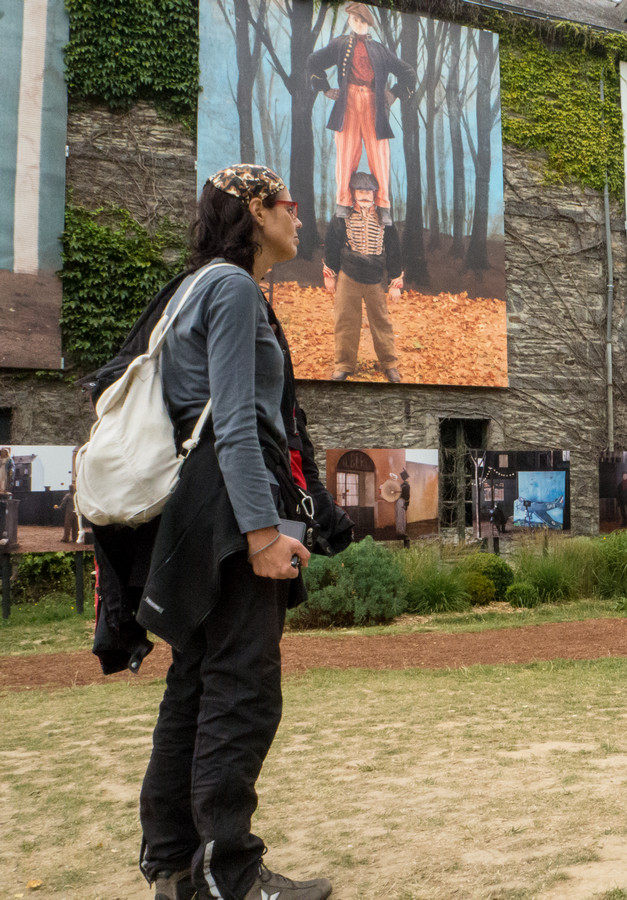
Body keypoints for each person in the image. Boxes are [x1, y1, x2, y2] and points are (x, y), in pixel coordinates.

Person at [120, 164, 334, 900]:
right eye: (288, 205)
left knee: (194, 684)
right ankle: (230, 874)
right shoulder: (235, 288)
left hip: (195, 512)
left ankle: (175, 866)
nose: (299, 218)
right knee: (243, 689)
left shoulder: (192, 287)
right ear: (256, 212)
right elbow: (237, 423)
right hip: (229, 512)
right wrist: (261, 534)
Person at [307, 2, 416, 223]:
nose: (358, 23)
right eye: (355, 19)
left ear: (368, 24)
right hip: (347, 104)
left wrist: (394, 93)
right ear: (349, 20)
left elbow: (408, 72)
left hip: (373, 105)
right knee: (345, 153)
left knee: (379, 155)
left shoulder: (380, 50)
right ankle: (343, 202)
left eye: (362, 20)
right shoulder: (340, 44)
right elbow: (314, 61)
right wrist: (325, 88)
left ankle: (383, 206)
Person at [323, 170, 404, 382]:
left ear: (375, 193)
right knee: (345, 320)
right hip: (348, 275)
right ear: (353, 192)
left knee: (381, 321)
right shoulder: (342, 217)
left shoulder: (385, 219)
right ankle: (344, 364)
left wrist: (395, 282)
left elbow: (394, 251)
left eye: (369, 191)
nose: (365, 195)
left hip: (374, 278)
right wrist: (330, 274)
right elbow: (331, 245)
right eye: (360, 190)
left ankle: (389, 363)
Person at [394, 469, 410, 547]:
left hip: (398, 502)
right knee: (401, 516)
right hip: (402, 501)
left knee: (398, 516)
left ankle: (399, 531)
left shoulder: (401, 485)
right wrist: (406, 504)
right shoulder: (406, 485)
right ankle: (401, 532)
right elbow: (407, 496)